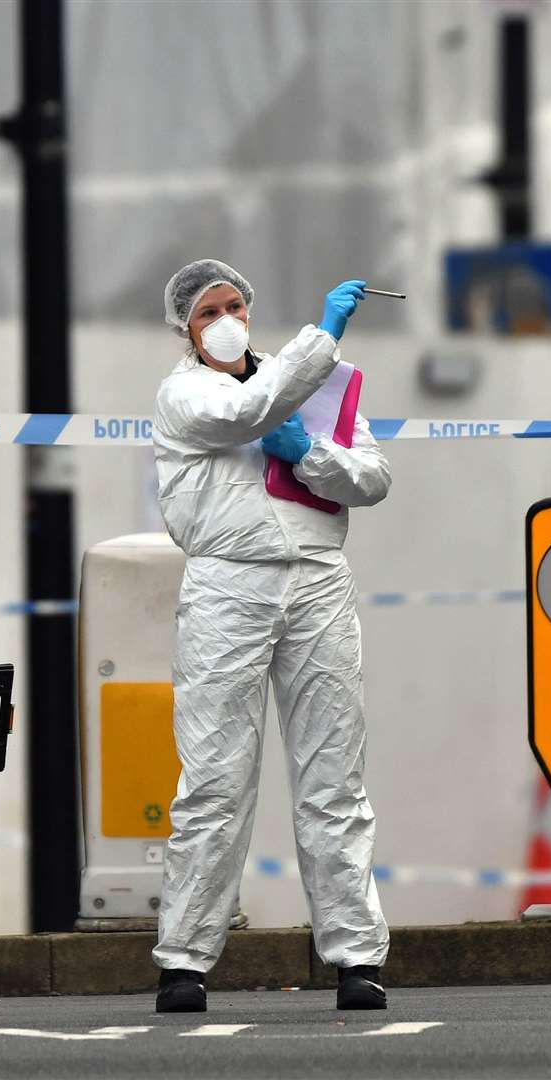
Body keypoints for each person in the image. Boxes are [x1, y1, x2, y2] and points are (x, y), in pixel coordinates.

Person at [150, 259, 392, 1013]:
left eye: (232, 306)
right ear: (185, 330)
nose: (222, 320)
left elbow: (372, 479)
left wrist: (310, 455)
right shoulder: (185, 391)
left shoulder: (320, 386)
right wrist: (321, 336)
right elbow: (245, 413)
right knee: (215, 778)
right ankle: (185, 959)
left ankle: (355, 956)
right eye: (205, 313)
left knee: (333, 775)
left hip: (318, 576)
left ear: (250, 311)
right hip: (228, 582)